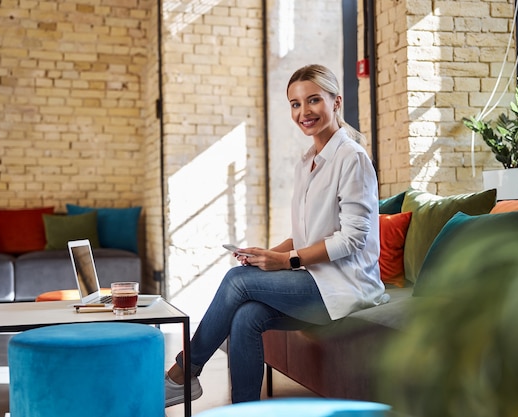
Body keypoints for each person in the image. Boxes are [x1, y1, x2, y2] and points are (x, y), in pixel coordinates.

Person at [164, 64, 389, 406]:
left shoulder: (352, 158)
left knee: (238, 281)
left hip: (347, 285)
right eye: (295, 104)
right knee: (246, 316)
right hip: (317, 279)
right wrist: (268, 254)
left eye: (313, 100)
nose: (304, 112)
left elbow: (352, 239)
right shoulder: (308, 160)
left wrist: (286, 261)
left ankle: (185, 371)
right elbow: (306, 235)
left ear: (336, 102)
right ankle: (245, 411)